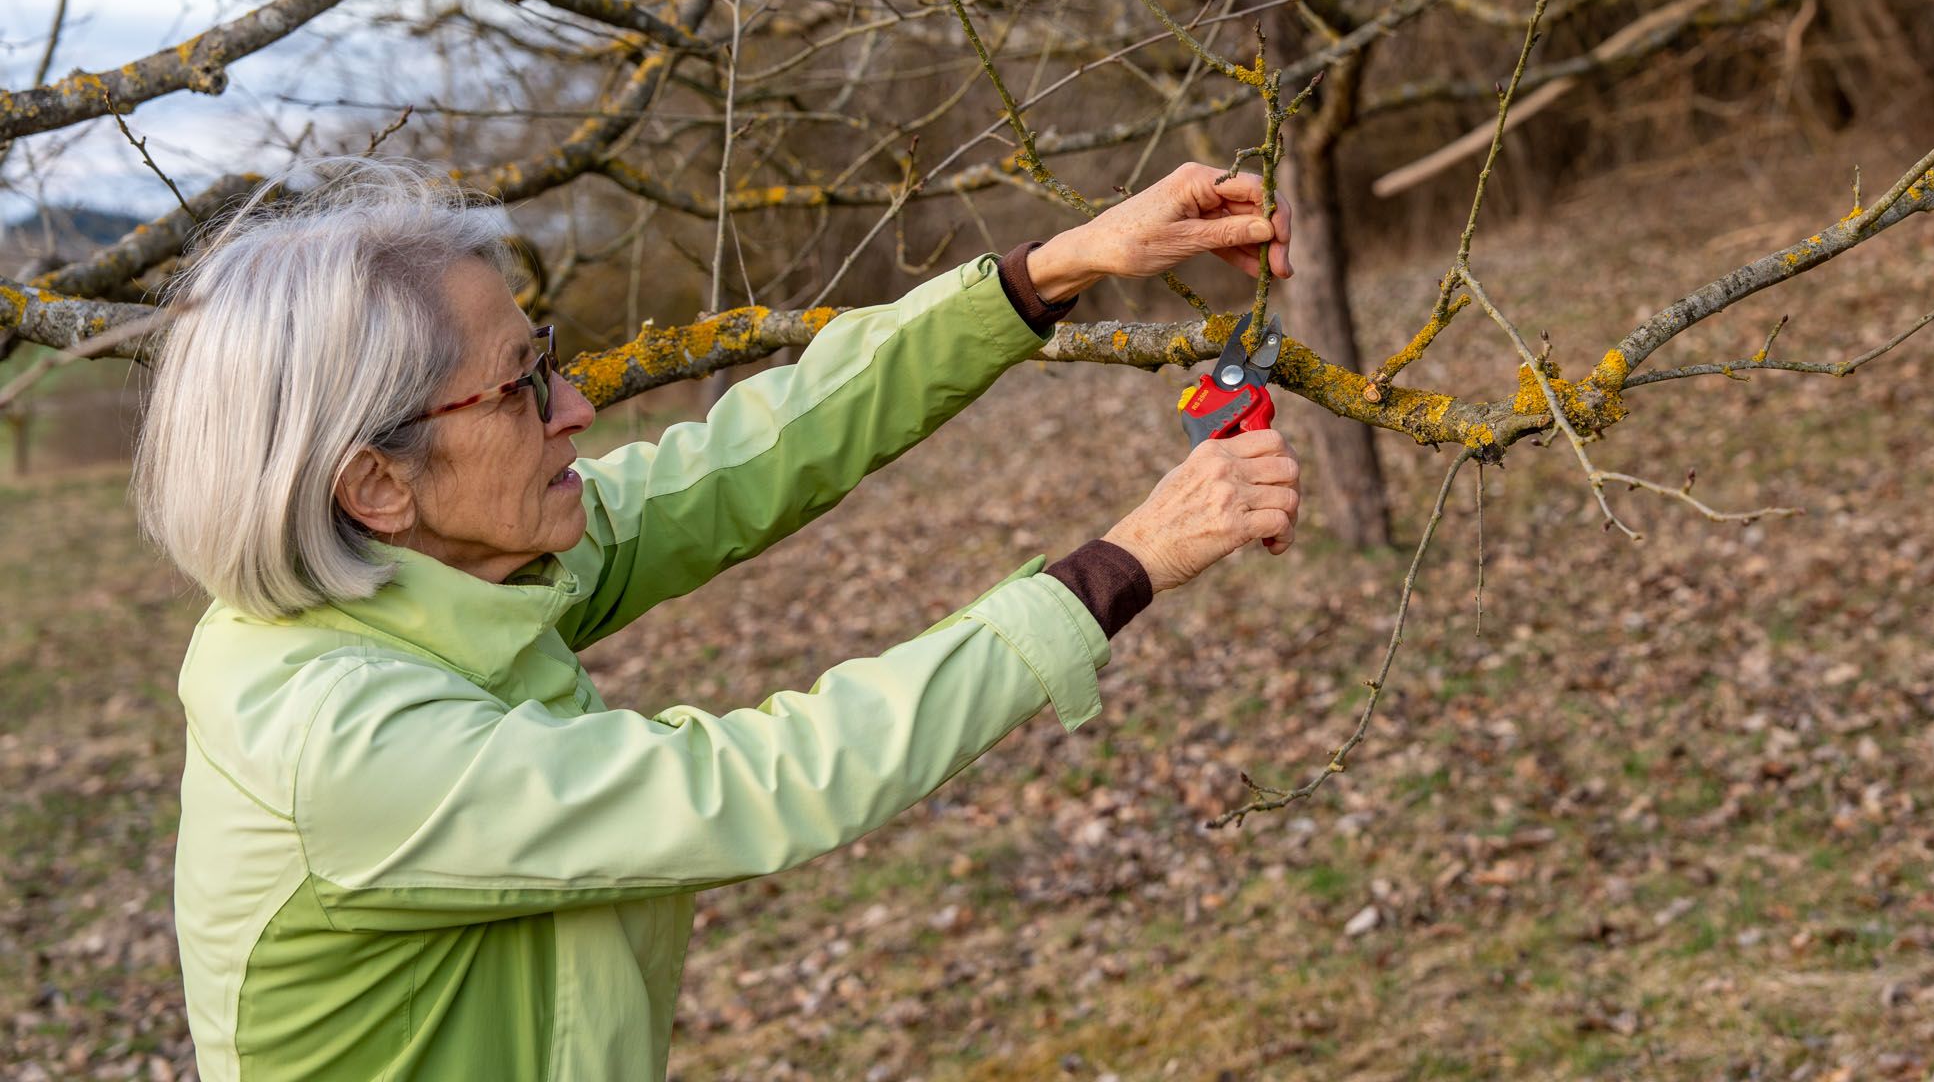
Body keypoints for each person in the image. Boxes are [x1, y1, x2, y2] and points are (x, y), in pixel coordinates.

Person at [136, 157, 1300, 1080]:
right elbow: (765, 778)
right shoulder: (341, 744)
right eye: (521, 385)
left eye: (550, 359)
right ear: (375, 483)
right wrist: (1126, 561)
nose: (577, 406)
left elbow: (746, 458)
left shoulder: (444, 575)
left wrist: (1057, 266)